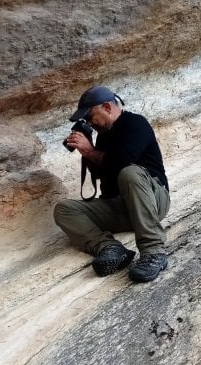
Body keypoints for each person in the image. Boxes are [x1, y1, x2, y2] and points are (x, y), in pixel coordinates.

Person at [54, 86, 170, 282]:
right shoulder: (103, 137)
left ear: (107, 107)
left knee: (130, 172)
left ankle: (153, 251)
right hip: (122, 207)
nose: (90, 123)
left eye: (91, 116)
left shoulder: (135, 124)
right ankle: (111, 248)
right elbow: (102, 173)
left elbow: (123, 162)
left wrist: (91, 152)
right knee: (64, 209)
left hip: (153, 201)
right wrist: (87, 153)